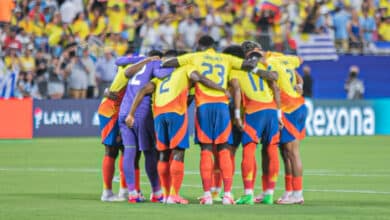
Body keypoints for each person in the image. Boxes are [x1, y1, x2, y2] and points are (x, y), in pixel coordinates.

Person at [162, 35, 259, 205]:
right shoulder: (225, 58)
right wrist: (255, 56)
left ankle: (207, 195)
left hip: (204, 106)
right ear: (214, 45)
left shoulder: (194, 57)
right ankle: (227, 195)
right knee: (223, 149)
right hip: (222, 106)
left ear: (199, 45)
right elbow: (250, 65)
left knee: (206, 150)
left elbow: (168, 63)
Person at [126, 50, 227, 204]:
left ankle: (165, 195)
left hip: (159, 114)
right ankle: (174, 194)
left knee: (163, 154)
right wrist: (220, 88)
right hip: (175, 112)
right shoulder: (185, 68)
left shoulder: (160, 75)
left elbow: (143, 90)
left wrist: (131, 114)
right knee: (178, 152)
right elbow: (198, 78)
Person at [224, 43, 279, 205]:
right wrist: (279, 114)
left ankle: (248, 193)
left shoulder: (236, 71)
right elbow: (275, 87)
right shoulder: (262, 66)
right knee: (271, 150)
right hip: (271, 109)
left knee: (249, 148)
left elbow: (236, 92)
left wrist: (237, 116)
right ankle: (269, 194)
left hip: (254, 111)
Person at [118, 50, 170, 203]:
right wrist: (174, 65)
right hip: (140, 111)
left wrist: (142, 59)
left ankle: (132, 193)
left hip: (123, 110)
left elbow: (120, 64)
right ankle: (157, 192)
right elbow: (161, 75)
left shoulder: (138, 62)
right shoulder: (156, 63)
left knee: (129, 151)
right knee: (149, 152)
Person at [97, 54, 146, 202]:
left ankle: (125, 190)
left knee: (127, 148)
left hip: (118, 109)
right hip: (111, 111)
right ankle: (107, 192)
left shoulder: (129, 69)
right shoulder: (129, 70)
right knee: (111, 150)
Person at [265, 52, 307, 205]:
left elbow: (274, 83)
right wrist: (300, 85)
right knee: (286, 152)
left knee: (292, 152)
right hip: (299, 105)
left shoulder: (269, 63)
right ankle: (289, 192)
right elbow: (298, 73)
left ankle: (298, 194)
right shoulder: (286, 60)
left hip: (289, 109)